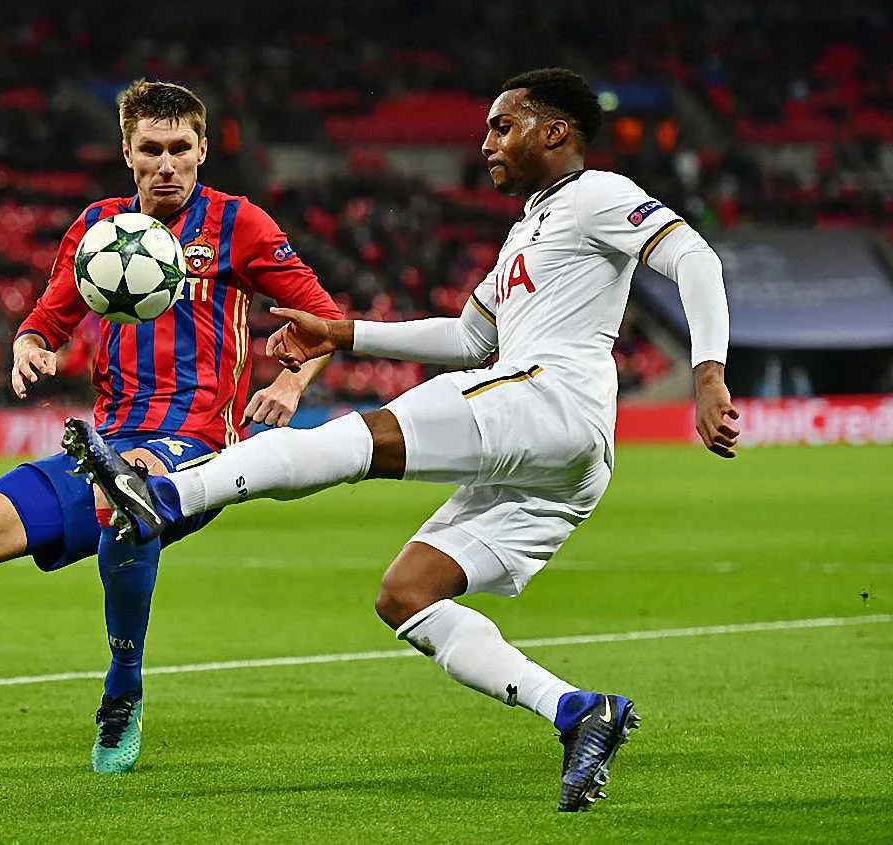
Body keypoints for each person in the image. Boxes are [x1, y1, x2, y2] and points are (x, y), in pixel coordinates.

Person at [67, 68, 740, 812]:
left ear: (554, 132)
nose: (486, 142)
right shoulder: (530, 227)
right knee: (407, 595)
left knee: (348, 443)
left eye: (502, 125)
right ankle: (579, 711)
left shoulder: (597, 194)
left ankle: (164, 495)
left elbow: (695, 258)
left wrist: (708, 373)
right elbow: (468, 337)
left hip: (547, 398)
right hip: (567, 458)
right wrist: (342, 333)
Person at [0, 80, 341, 773]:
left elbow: (326, 322)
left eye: (180, 148)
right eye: (151, 149)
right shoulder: (98, 227)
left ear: (203, 150)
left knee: (127, 501)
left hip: (197, 446)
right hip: (108, 443)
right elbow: (47, 318)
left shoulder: (241, 224)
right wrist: (30, 346)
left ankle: (122, 690)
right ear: (127, 152)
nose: (166, 164)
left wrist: (289, 383)